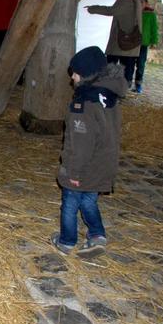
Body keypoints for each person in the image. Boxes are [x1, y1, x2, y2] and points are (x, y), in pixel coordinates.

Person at [51, 46, 126, 259]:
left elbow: (80, 144)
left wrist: (73, 173)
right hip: (103, 164)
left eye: (75, 72)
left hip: (83, 167)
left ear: (85, 74)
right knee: (89, 201)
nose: (72, 77)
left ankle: (66, 241)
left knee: (70, 202)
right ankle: (97, 235)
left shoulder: (83, 105)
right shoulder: (108, 96)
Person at [85, 0, 142, 88]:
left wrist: (93, 9)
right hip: (129, 42)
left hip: (123, 42)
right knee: (126, 68)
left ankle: (115, 89)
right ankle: (121, 89)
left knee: (113, 67)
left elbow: (112, 11)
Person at [133, 0, 159, 94]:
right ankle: (127, 83)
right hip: (132, 43)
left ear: (146, 3)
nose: (139, 4)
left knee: (140, 65)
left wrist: (154, 41)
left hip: (143, 44)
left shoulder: (150, 15)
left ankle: (138, 84)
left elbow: (154, 29)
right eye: (138, 2)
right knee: (129, 64)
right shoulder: (133, 13)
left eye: (142, 2)